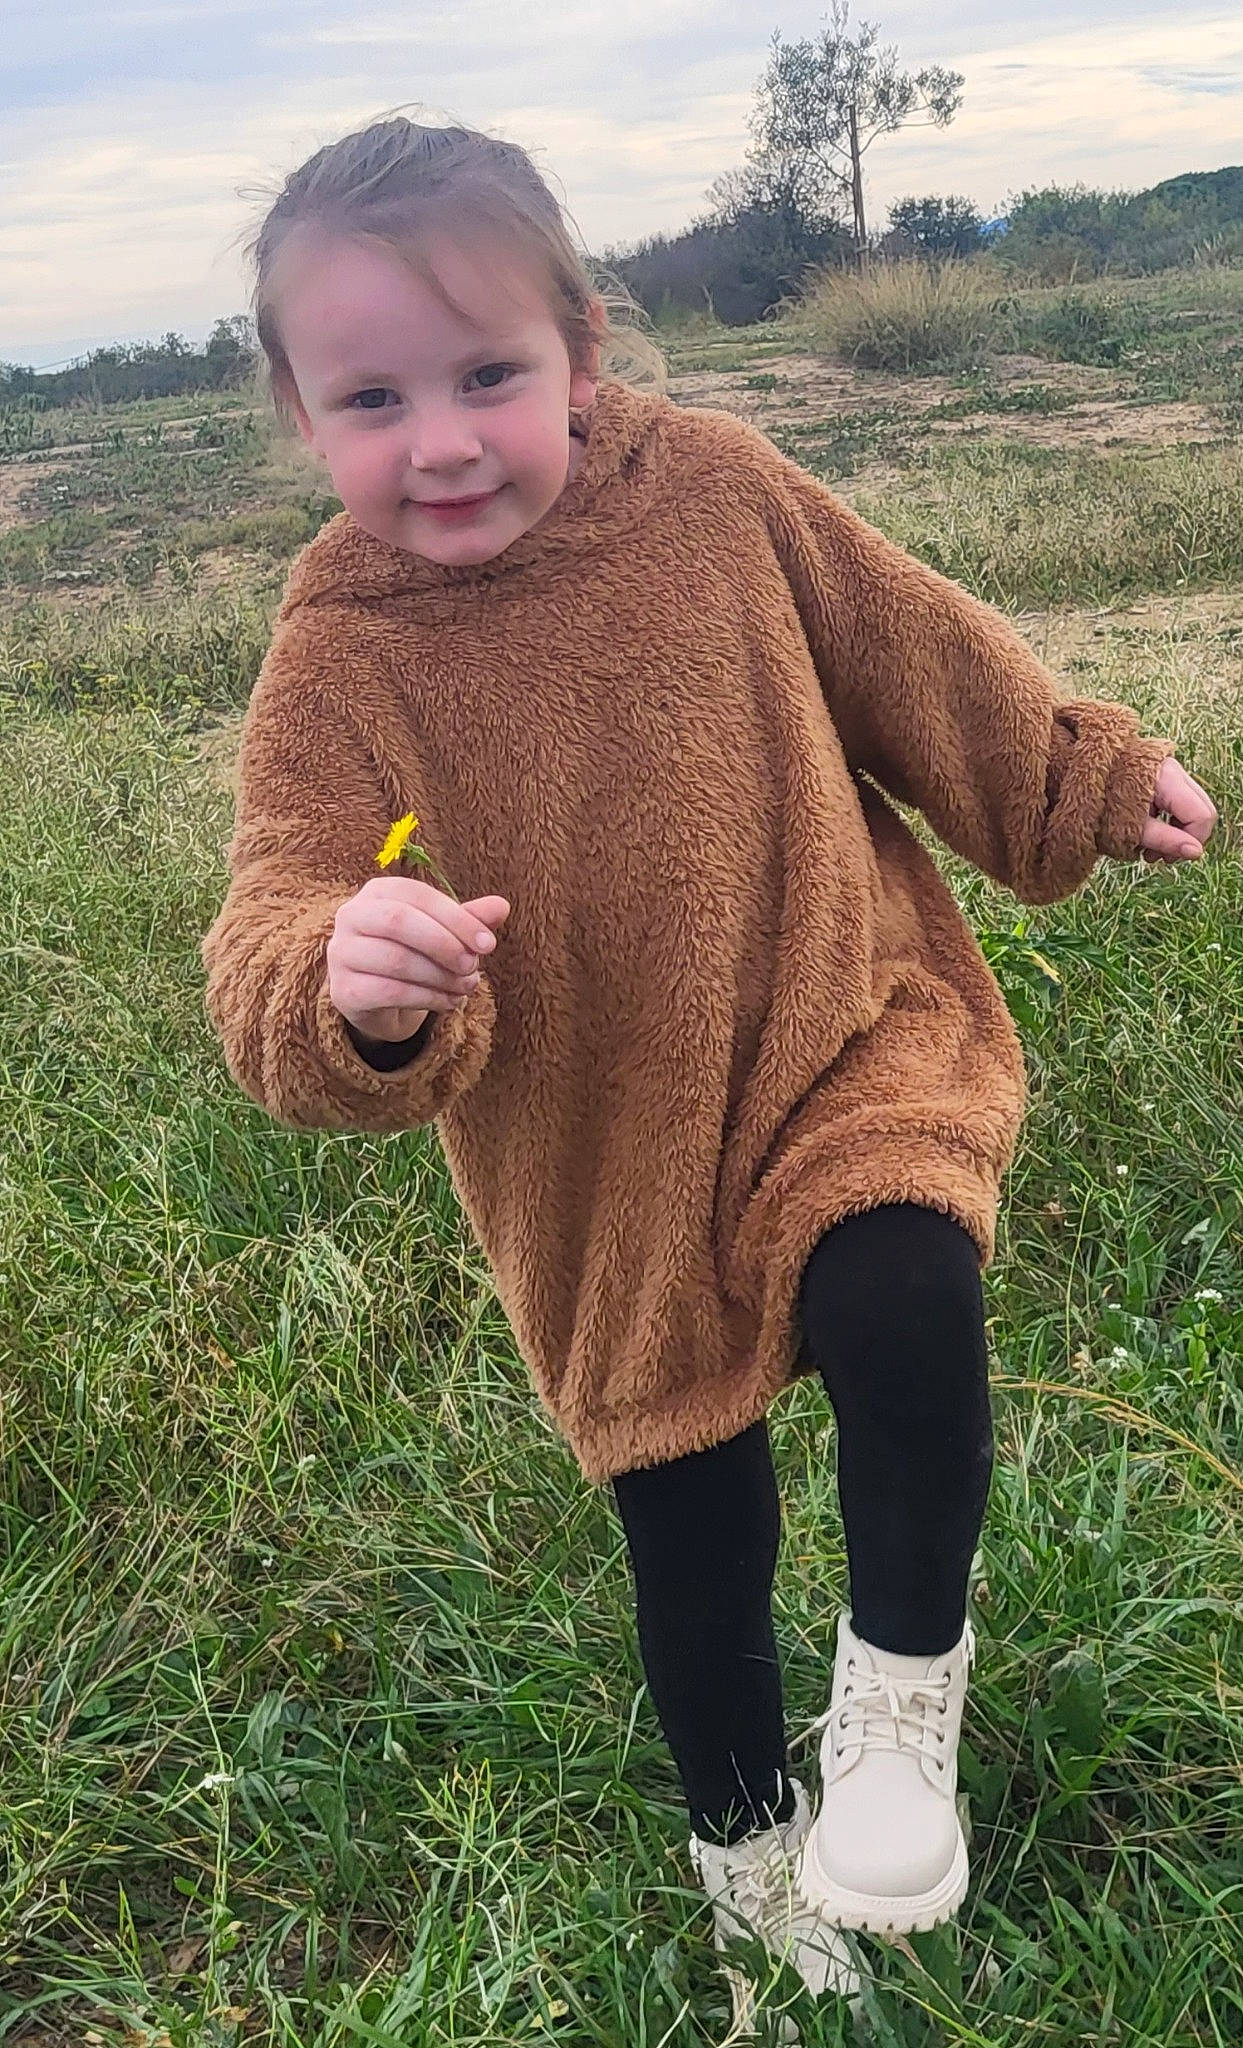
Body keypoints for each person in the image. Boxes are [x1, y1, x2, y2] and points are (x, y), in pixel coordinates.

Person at [201, 113, 1218, 2033]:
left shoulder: (722, 492)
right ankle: (751, 1866)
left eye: (489, 374)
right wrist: (351, 978)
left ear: (582, 348)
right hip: (594, 1160)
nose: (439, 439)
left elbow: (914, 649)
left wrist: (1079, 774)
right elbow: (274, 919)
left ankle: (902, 1695)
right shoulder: (338, 649)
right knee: (699, 1530)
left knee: (908, 1287)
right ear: (298, 412)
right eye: (371, 397)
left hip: (841, 1019)